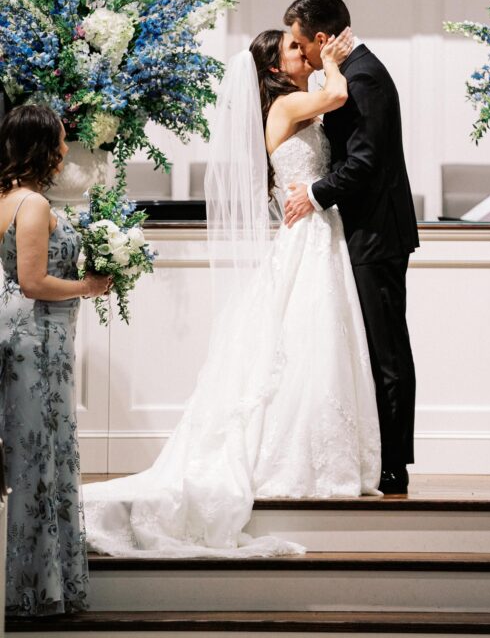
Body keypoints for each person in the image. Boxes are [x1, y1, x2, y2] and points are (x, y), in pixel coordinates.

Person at [82, 28, 381, 558]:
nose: (303, 51)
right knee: (304, 338)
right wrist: (335, 61)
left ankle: (322, 452)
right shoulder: (287, 105)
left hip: (315, 228)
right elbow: (336, 95)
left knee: (315, 340)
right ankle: (292, 457)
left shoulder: (293, 103)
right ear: (272, 69)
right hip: (306, 232)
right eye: (293, 48)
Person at [283, 0, 418, 497]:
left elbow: (363, 163)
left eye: (301, 43)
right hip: (360, 230)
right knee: (368, 348)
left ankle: (394, 467)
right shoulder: (351, 73)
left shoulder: (364, 78)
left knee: (387, 351)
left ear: (321, 39)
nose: (301, 53)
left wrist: (315, 193)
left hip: (377, 232)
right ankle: (376, 458)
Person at [0, 105, 111, 617]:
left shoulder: (5, 198)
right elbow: (33, 282)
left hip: (21, 333)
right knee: (38, 455)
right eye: (61, 141)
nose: (66, 150)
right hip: (37, 341)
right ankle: (35, 588)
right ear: (43, 147)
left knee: (26, 452)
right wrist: (89, 286)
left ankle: (24, 576)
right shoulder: (34, 204)